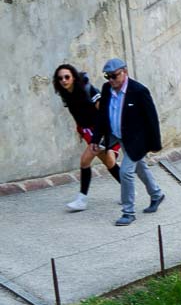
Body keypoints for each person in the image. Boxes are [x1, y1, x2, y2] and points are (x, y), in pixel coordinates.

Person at [93, 58, 165, 226]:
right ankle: (156, 194)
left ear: (125, 72)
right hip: (118, 135)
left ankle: (128, 212)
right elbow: (102, 116)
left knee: (125, 172)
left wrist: (155, 144)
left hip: (137, 139)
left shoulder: (139, 91)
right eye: (107, 76)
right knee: (139, 166)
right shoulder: (107, 89)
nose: (111, 80)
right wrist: (96, 138)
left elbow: (152, 119)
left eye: (114, 76)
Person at [53, 64, 121, 212]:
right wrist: (80, 129)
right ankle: (128, 190)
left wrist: (103, 135)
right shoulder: (65, 94)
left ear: (73, 77)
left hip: (100, 130)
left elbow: (103, 111)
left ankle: (82, 200)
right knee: (109, 162)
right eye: (60, 78)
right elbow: (75, 112)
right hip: (88, 131)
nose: (64, 80)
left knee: (85, 161)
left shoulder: (87, 89)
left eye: (67, 77)